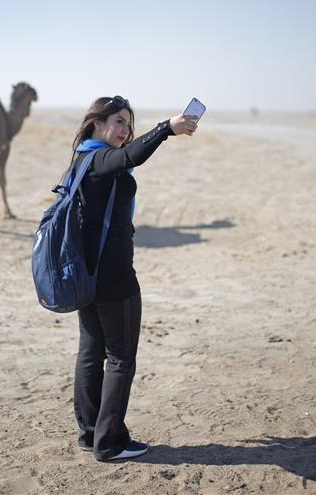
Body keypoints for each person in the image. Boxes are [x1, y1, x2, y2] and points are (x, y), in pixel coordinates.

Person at [68, 95, 198, 461]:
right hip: (113, 277)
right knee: (120, 357)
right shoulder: (100, 159)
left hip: (87, 276)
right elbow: (129, 157)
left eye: (128, 124)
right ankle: (110, 442)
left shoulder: (81, 159)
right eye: (118, 122)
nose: (125, 130)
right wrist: (166, 129)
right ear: (97, 123)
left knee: (91, 352)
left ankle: (90, 433)